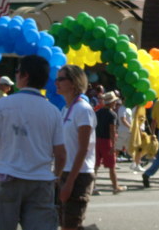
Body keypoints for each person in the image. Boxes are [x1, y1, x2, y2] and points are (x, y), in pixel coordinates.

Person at [0, 55, 66, 230]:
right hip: (41, 180)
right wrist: (55, 177)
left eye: (17, 72)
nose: (16, 75)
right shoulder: (53, 111)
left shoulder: (4, 105)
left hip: (7, 176)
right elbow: (60, 154)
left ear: (25, 75)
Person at [56, 65, 97, 230]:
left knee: (70, 225)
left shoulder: (83, 109)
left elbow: (83, 148)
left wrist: (69, 183)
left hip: (79, 174)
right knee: (64, 223)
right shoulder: (65, 109)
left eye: (61, 79)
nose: (56, 82)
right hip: (64, 172)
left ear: (73, 83)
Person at [94, 91, 127, 194]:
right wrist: (113, 144)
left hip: (97, 140)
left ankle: (92, 186)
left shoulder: (97, 112)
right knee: (112, 166)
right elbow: (112, 130)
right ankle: (115, 187)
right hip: (107, 141)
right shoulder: (112, 114)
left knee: (95, 166)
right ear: (112, 102)